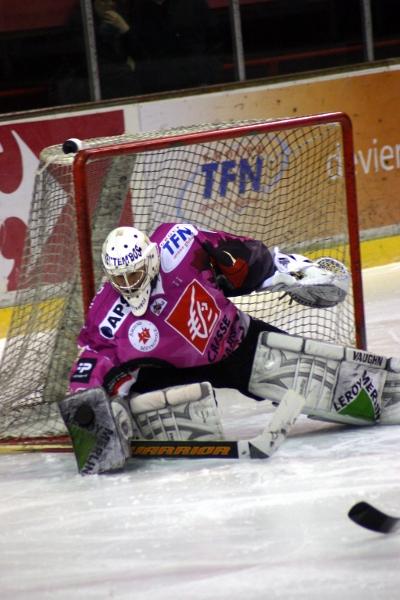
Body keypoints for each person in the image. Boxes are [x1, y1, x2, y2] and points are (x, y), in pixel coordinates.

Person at [69, 223, 348, 400]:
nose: (129, 284)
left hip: (237, 342)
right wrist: (86, 398)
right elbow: (93, 356)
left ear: (151, 258)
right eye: (120, 278)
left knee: (327, 385)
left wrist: (286, 270)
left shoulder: (180, 243)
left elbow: (239, 258)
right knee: (123, 393)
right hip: (175, 375)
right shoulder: (106, 314)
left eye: (134, 273)